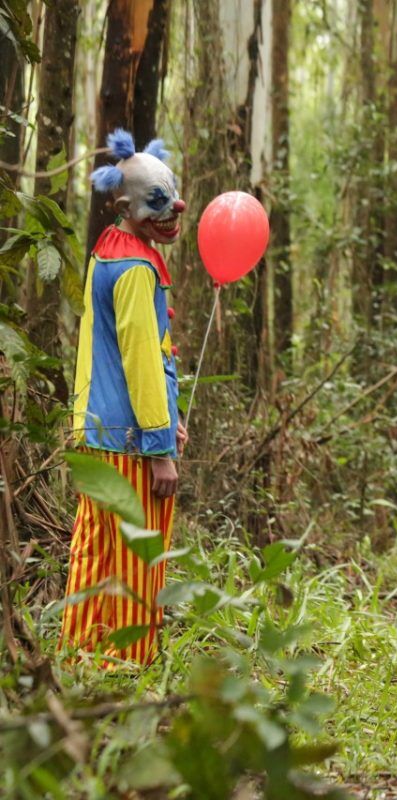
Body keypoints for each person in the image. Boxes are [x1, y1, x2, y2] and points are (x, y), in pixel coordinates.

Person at [60, 129, 188, 665]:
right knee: (138, 555)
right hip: (131, 443)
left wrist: (171, 415)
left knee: (94, 549)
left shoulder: (108, 251)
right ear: (128, 209)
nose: (173, 213)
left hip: (96, 432)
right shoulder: (136, 269)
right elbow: (139, 360)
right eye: (158, 205)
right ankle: (129, 665)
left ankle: (80, 656)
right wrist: (161, 447)